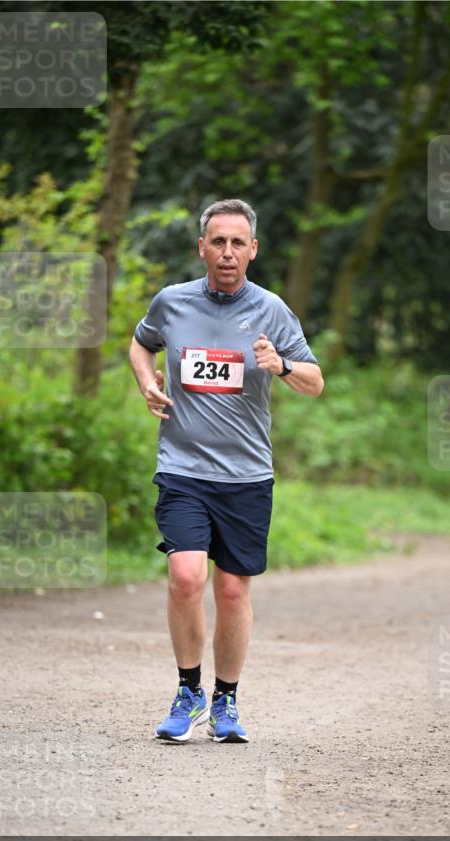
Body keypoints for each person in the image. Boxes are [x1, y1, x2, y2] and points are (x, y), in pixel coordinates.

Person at [129, 199, 324, 744]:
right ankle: (188, 690)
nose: (228, 252)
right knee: (186, 576)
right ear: (202, 248)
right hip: (183, 469)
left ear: (253, 250)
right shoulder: (172, 302)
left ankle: (226, 701)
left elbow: (315, 381)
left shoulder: (272, 311)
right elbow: (141, 344)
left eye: (238, 243)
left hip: (246, 475)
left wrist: (281, 365)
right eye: (218, 241)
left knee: (233, 592)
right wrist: (146, 382)